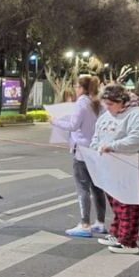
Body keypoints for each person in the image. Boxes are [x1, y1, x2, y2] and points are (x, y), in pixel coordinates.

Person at [90, 84, 139, 254]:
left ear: (122, 102)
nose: (107, 108)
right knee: (116, 201)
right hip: (112, 164)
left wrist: (112, 146)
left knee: (129, 203)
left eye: (110, 104)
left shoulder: (137, 115)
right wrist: (96, 146)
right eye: (105, 104)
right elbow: (97, 134)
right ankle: (117, 233)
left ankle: (128, 242)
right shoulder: (106, 115)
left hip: (136, 164)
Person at [52, 75, 108, 238]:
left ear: (82, 88)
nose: (75, 89)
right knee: (97, 188)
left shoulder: (81, 103)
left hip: (82, 152)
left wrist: (55, 121)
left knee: (83, 188)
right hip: (97, 151)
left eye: (76, 86)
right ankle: (100, 223)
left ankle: (84, 224)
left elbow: (73, 125)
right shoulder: (99, 104)